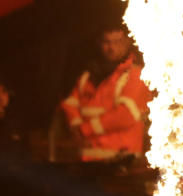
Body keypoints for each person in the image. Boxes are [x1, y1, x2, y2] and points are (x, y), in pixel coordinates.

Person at [59, 24, 150, 161]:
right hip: (88, 157)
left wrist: (84, 130)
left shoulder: (136, 75)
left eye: (117, 42)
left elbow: (125, 115)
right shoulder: (89, 75)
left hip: (122, 160)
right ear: (99, 43)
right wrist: (76, 126)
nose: (111, 48)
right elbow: (70, 103)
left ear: (127, 43)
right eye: (107, 42)